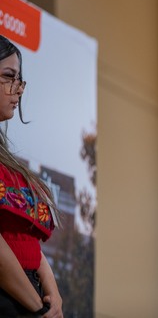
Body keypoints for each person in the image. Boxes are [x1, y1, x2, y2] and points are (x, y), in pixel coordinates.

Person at [0, 35, 63, 317]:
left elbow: (22, 236)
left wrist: (52, 291)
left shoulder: (8, 160)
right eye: (8, 77)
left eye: (20, 80)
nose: (18, 90)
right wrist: (37, 307)